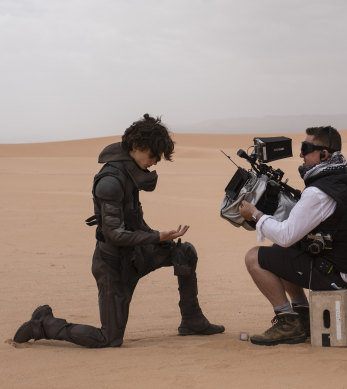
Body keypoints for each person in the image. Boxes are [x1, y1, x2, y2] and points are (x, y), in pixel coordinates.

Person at [13, 114, 224, 348]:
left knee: (184, 252)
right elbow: (115, 234)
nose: (155, 161)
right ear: (136, 147)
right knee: (109, 338)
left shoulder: (130, 175)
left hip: (137, 255)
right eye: (153, 155)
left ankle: (192, 320)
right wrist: (157, 236)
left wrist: (163, 240)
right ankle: (43, 324)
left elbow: (134, 222)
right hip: (113, 265)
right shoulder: (110, 181)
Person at [238, 126, 347, 346]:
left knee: (254, 257)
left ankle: (288, 323)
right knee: (282, 252)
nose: (301, 155)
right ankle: (304, 315)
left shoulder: (317, 192)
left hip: (332, 275)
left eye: (306, 149)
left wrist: (256, 215)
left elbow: (286, 235)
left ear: (324, 154)